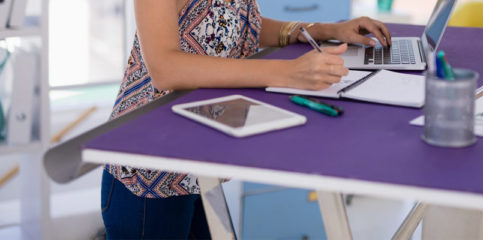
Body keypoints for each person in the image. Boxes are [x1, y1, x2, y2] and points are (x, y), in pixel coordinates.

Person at [101, 0, 392, 238]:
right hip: (149, 167)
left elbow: (240, 24)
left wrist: (325, 30)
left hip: (195, 160)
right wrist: (288, 73)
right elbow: (166, 68)